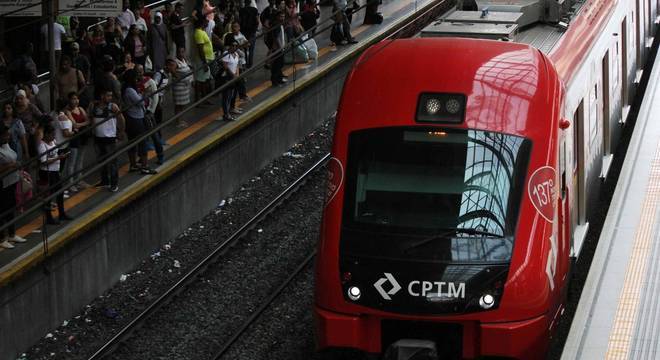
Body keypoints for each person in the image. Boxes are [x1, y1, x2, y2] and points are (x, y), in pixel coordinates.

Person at [122, 69, 157, 175]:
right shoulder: (130, 90)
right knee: (142, 142)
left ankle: (133, 164)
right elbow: (140, 102)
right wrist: (145, 93)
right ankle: (145, 166)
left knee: (132, 141)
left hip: (131, 118)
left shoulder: (127, 89)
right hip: (136, 118)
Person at [89, 89, 124, 192]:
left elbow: (121, 118)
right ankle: (105, 180)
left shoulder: (113, 107)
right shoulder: (94, 106)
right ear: (102, 96)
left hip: (110, 138)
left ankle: (114, 183)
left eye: (111, 96)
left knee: (112, 161)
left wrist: (121, 131)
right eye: (108, 96)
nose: (110, 98)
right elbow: (90, 118)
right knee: (101, 160)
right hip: (98, 137)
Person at [38, 124, 72, 225]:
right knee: (49, 194)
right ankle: (49, 217)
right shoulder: (42, 145)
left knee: (59, 192)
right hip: (47, 172)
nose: (53, 136)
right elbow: (44, 161)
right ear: (46, 134)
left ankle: (62, 213)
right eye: (52, 134)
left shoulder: (53, 142)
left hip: (55, 171)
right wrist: (58, 158)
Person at [0, 125, 27, 248]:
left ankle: (12, 233)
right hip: (3, 183)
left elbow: (14, 157)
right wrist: (11, 165)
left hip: (12, 180)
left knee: (11, 207)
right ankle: (1, 238)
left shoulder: (7, 145)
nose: (8, 136)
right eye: (5, 135)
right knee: (2, 209)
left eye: (8, 134)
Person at [135, 64, 165, 164]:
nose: (139, 73)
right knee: (141, 137)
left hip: (148, 113)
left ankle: (160, 155)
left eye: (141, 71)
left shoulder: (149, 81)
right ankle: (142, 156)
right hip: (139, 113)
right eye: (137, 71)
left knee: (154, 135)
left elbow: (155, 96)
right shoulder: (135, 84)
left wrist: (151, 110)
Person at [65, 92, 90, 191]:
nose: (76, 101)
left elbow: (88, 121)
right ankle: (70, 183)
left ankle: (79, 180)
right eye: (73, 99)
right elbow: (74, 125)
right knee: (72, 161)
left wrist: (80, 125)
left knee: (80, 159)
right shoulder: (68, 111)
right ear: (69, 100)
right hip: (74, 138)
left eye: (77, 99)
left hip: (83, 136)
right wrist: (82, 124)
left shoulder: (81, 109)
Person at [14, 89, 42, 157]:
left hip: (30, 130)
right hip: (18, 132)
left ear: (25, 98)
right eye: (17, 99)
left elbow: (41, 116)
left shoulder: (30, 107)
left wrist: (35, 126)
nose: (19, 100)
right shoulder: (14, 108)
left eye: (21, 98)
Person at [220, 35, 241, 121]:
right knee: (226, 96)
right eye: (233, 45)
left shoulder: (236, 54)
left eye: (236, 46)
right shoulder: (226, 54)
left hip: (234, 77)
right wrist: (232, 74)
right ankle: (226, 113)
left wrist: (237, 74)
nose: (234, 47)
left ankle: (229, 111)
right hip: (227, 77)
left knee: (231, 95)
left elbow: (237, 66)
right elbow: (225, 66)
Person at [193, 17, 214, 101]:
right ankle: (199, 100)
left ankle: (204, 98)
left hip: (206, 59)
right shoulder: (198, 33)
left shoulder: (202, 32)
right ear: (202, 23)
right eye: (206, 21)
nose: (208, 22)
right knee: (200, 80)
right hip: (203, 60)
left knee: (205, 80)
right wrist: (204, 62)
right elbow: (200, 49)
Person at [170, 50, 193, 128]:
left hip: (185, 86)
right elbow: (172, 70)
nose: (181, 53)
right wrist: (179, 78)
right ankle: (178, 121)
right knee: (178, 105)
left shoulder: (184, 60)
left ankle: (180, 119)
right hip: (179, 87)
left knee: (182, 104)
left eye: (183, 52)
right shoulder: (175, 62)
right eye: (180, 52)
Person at [239, 0, 259, 68]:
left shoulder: (241, 10)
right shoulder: (254, 10)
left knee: (244, 48)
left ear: (245, 2)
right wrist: (255, 29)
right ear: (250, 2)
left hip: (244, 32)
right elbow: (257, 21)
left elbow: (240, 21)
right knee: (251, 49)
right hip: (252, 32)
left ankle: (245, 62)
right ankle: (250, 64)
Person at [270, 11, 288, 86]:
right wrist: (281, 47)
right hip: (278, 49)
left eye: (283, 16)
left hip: (280, 48)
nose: (282, 18)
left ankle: (279, 78)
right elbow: (276, 38)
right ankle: (275, 80)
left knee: (279, 64)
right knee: (277, 65)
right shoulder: (277, 25)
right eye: (281, 16)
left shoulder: (280, 24)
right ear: (277, 17)